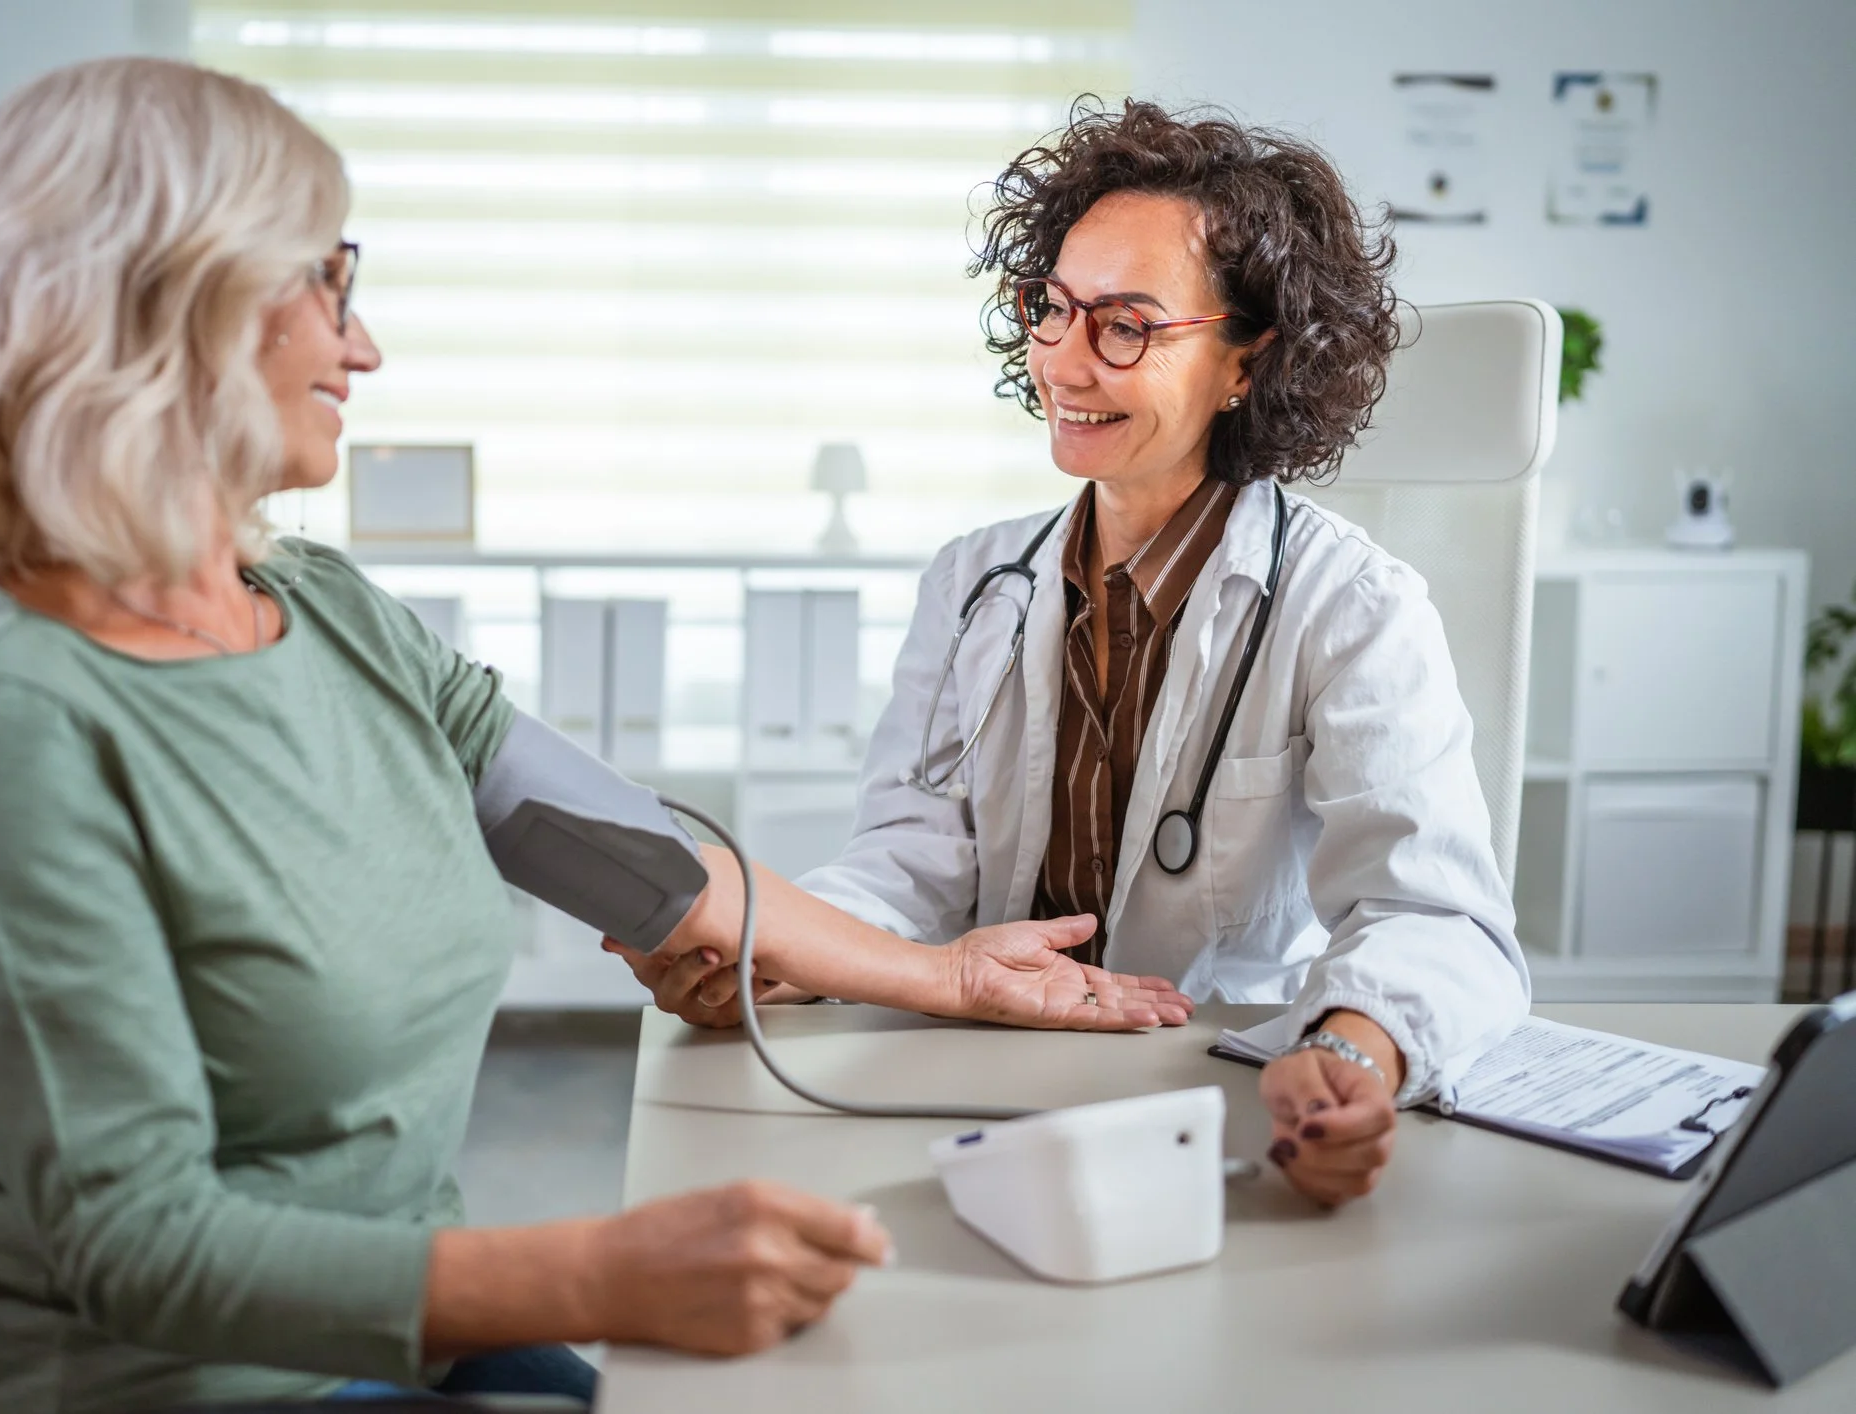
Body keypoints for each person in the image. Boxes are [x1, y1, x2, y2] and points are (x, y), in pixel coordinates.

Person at [0, 60, 1185, 1414]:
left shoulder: (322, 607)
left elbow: (634, 859)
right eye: (329, 282)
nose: (362, 346)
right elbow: (142, 1250)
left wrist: (946, 976)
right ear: (168, 302)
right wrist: (604, 1270)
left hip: (395, 1331)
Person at [625, 101, 1531, 1209]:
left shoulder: (1353, 608)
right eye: (1049, 309)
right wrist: (781, 962)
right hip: (973, 1087)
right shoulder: (973, 584)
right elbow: (907, 861)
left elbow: (1436, 916)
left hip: (1210, 1094)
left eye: (1126, 325)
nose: (1063, 359)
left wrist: (1351, 1053)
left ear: (1248, 362)